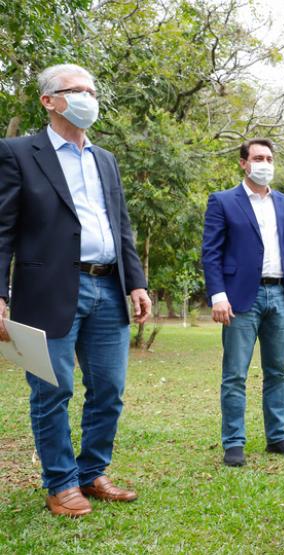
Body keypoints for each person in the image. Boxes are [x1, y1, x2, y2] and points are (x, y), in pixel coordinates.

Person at [0, 64, 152, 517]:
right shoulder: (17, 153)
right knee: (53, 389)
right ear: (49, 100)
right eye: (76, 90)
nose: (88, 97)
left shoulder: (105, 159)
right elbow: (2, 229)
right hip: (47, 289)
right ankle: (61, 482)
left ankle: (92, 472)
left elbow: (120, 225)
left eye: (92, 91)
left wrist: (137, 281)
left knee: (109, 389)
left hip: (110, 287)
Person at [202, 138, 284, 467]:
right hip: (239, 299)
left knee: (277, 371)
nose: (264, 164)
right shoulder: (223, 201)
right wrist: (218, 295)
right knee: (235, 374)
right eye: (257, 158)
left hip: (280, 295)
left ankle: (277, 436)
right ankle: (234, 442)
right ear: (243, 163)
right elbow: (211, 253)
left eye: (268, 158)